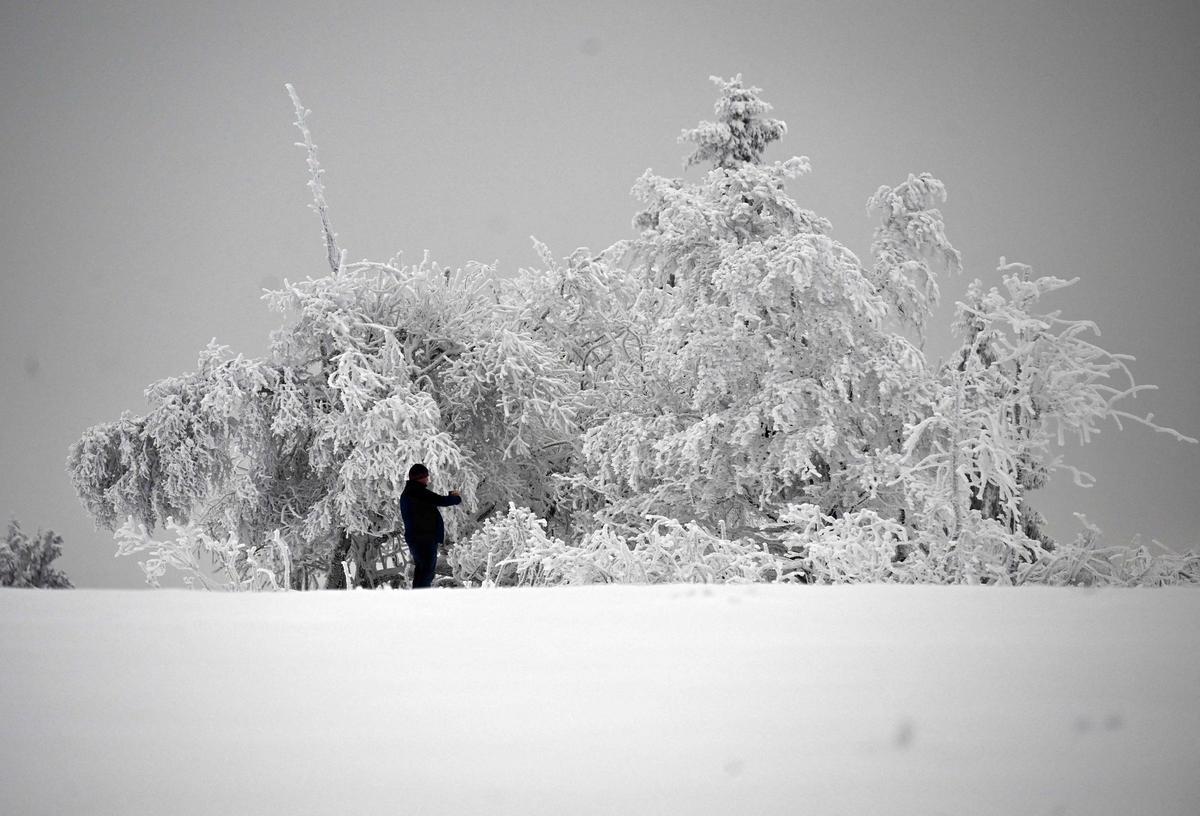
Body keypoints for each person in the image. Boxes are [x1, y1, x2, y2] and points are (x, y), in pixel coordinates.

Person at [399, 463, 462, 589]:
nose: (428, 479)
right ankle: (421, 600)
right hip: (423, 538)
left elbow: (435, 500)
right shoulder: (416, 492)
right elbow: (440, 500)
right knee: (426, 571)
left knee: (423, 570)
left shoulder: (412, 492)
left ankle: (419, 598)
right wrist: (455, 498)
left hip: (419, 537)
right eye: (426, 476)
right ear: (420, 478)